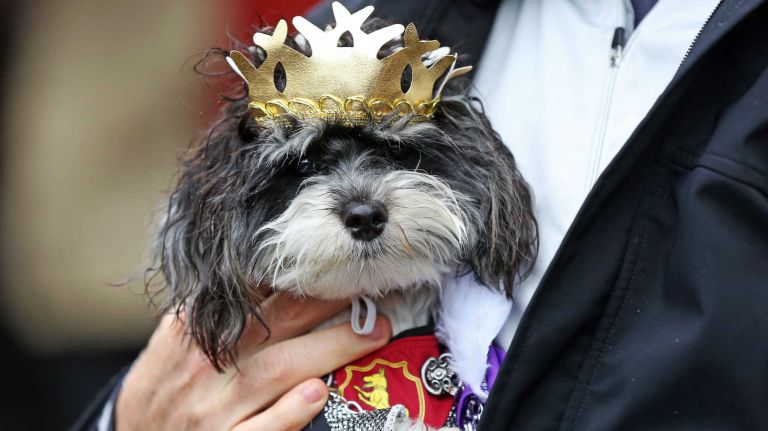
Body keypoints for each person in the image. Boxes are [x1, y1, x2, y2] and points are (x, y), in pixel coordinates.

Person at [73, 0, 768, 429]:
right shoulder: (368, 23)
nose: (364, 202)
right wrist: (128, 422)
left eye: (399, 158)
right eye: (311, 169)